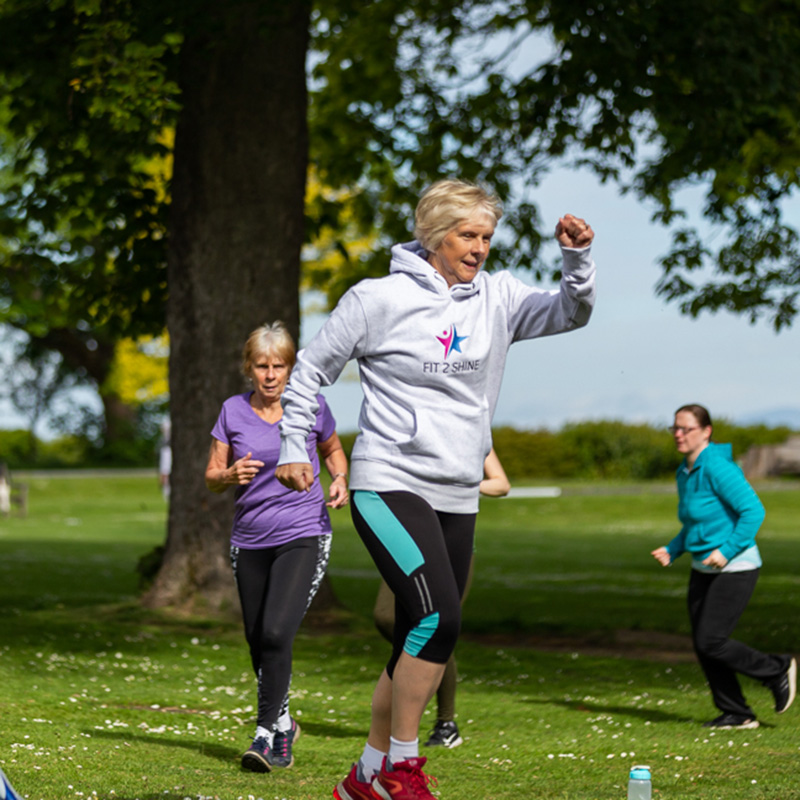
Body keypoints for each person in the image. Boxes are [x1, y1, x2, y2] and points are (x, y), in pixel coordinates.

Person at [276, 178, 595, 800]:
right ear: (433, 235)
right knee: (435, 617)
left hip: (457, 488)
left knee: (417, 635)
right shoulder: (375, 299)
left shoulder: (499, 298)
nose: (479, 248)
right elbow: (308, 373)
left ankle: (363, 778)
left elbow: (571, 311)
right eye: (467, 235)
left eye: (486, 237)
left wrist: (576, 260)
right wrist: (293, 446)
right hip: (388, 479)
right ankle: (401, 768)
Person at [205, 321, 349, 773]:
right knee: (256, 638)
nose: (270, 375)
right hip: (250, 538)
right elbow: (211, 475)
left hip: (303, 533)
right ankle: (284, 721)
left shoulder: (310, 406)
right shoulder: (232, 411)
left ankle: (266, 736)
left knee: (275, 633)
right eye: (262, 366)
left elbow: (332, 451)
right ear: (249, 369)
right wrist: (229, 476)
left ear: (290, 368)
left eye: (279, 366)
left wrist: (341, 478)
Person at [651, 403, 796, 730]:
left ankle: (776, 668)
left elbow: (753, 511)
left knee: (711, 640)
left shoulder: (717, 467)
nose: (678, 434)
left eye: (685, 428)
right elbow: (693, 524)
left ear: (706, 431)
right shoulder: (685, 472)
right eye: (674, 427)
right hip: (704, 568)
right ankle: (737, 713)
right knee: (704, 645)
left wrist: (727, 550)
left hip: (737, 565)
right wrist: (673, 549)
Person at [372, 448, 510, 750]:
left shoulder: (470, 428)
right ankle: (401, 719)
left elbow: (501, 483)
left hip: (451, 547)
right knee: (387, 617)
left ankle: (445, 722)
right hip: (408, 541)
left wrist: (458, 485)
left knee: (435, 625)